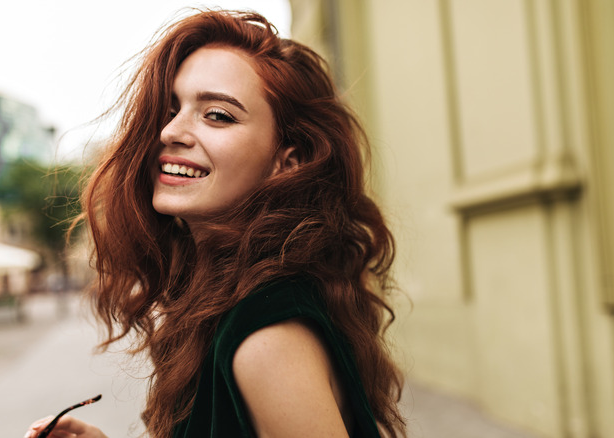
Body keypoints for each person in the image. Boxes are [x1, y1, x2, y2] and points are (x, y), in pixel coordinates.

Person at [26, 9, 406, 438]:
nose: (170, 130)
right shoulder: (228, 296)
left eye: (218, 115)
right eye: (171, 109)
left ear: (288, 163)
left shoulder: (266, 334)